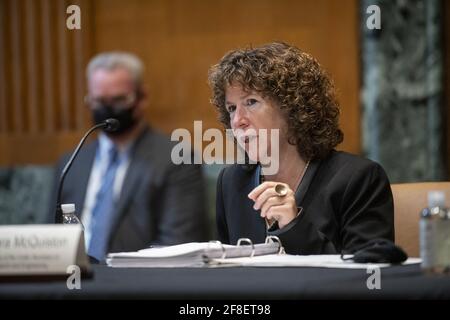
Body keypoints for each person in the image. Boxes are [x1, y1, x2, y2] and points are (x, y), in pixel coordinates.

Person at [208, 42, 394, 255]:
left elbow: (367, 277)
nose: (238, 120)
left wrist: (294, 226)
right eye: (231, 108)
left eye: (251, 102)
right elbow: (226, 273)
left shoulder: (359, 179)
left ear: (292, 109)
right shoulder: (231, 182)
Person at [50, 52, 208, 261]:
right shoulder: (72, 162)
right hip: (73, 278)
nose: (107, 109)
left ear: (142, 98)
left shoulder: (177, 158)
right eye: (98, 101)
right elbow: (49, 237)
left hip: (137, 282)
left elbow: (179, 243)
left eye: (118, 99)